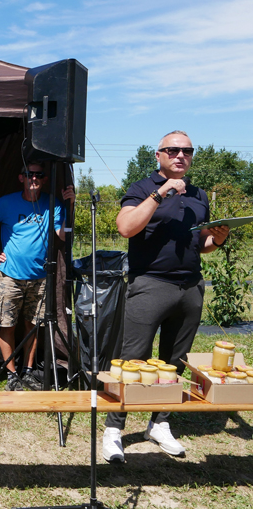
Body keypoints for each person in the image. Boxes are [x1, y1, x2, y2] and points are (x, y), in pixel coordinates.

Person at [102, 130, 230, 463]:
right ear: (158, 155)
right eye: (172, 150)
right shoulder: (142, 188)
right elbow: (125, 228)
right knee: (133, 360)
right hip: (150, 284)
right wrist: (160, 194)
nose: (180, 155)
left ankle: (159, 423)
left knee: (174, 362)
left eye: (187, 151)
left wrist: (218, 238)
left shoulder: (200, 195)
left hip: (190, 288)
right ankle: (114, 429)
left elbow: (199, 246)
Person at [0, 162, 74, 391]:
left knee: (32, 326)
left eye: (39, 175)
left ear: (44, 179)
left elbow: (61, 235)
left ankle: (28, 371)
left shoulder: (53, 204)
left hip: (40, 277)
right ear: (21, 177)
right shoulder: (6, 202)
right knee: (7, 324)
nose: (34, 178)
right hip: (10, 275)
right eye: (29, 174)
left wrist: (69, 205)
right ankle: (11, 374)